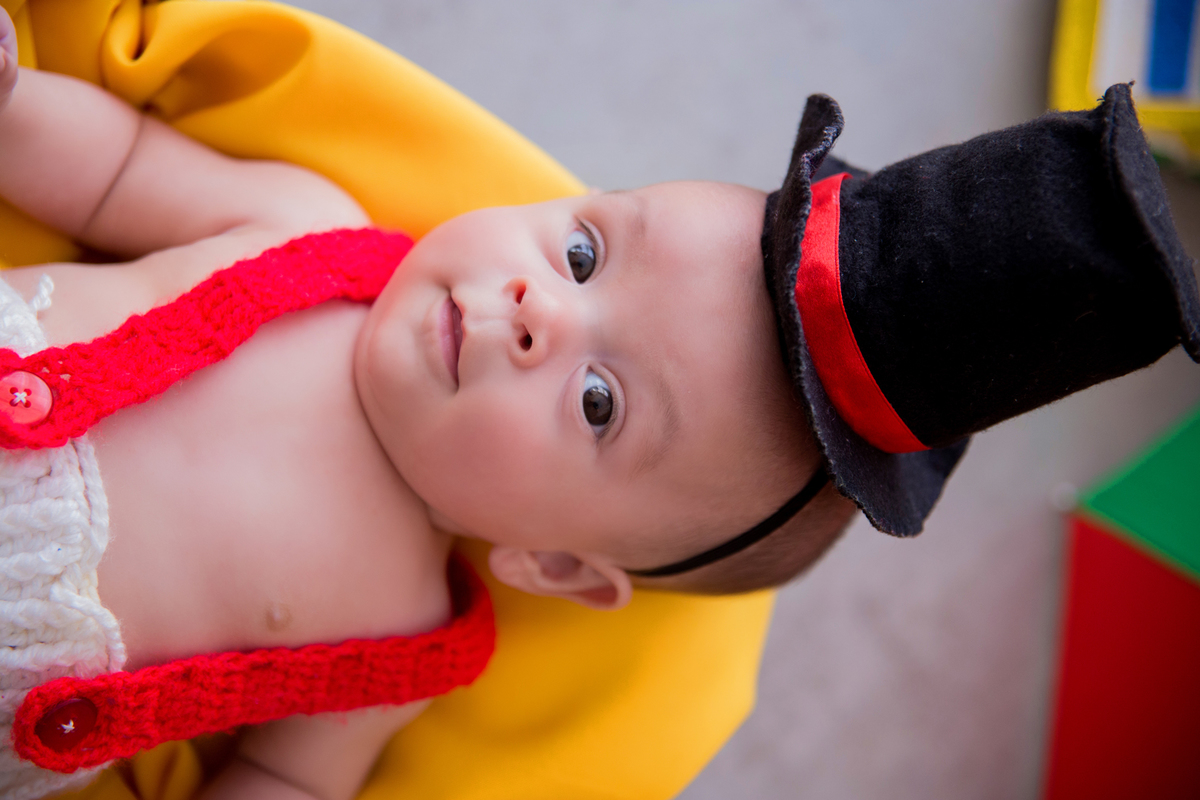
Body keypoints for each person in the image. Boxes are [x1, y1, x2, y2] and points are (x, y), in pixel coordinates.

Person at [1, 5, 1197, 800]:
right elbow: (110, 171)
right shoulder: (304, 228)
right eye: (582, 252)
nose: (539, 309)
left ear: (558, 567)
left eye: (596, 403)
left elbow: (287, 782)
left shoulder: (394, 645)